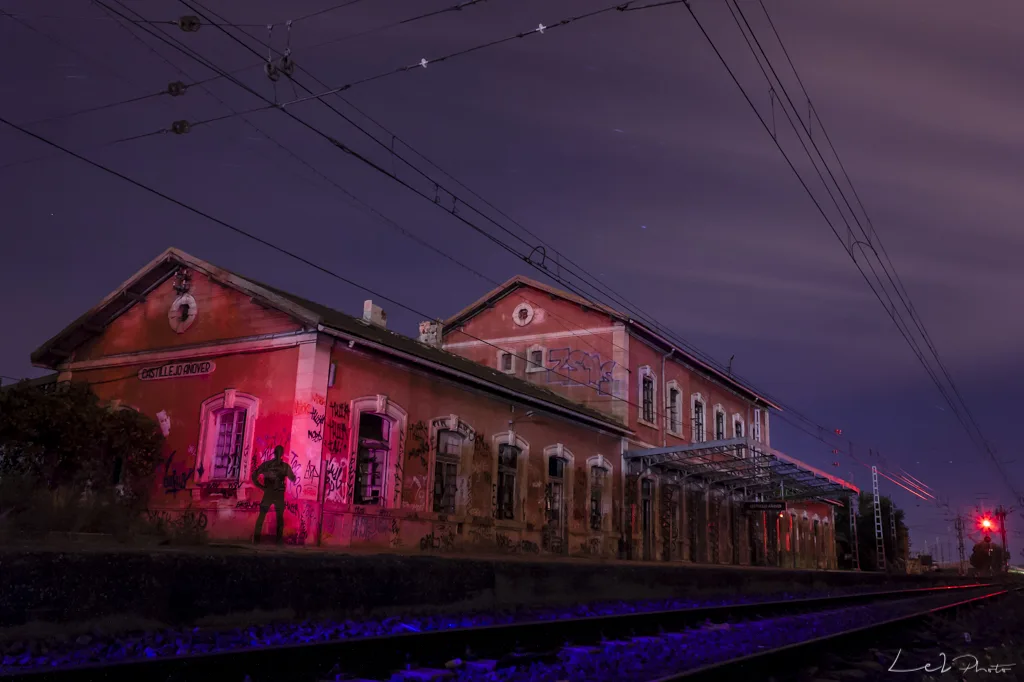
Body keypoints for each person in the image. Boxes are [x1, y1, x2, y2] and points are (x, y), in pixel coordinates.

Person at [252, 445, 296, 544]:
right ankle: (273, 540)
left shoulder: (271, 465)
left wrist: (261, 486)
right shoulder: (283, 466)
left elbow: (254, 475)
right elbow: (293, 478)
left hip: (274, 493)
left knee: (271, 517)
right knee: (274, 517)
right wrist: (262, 487)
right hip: (274, 493)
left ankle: (259, 539)